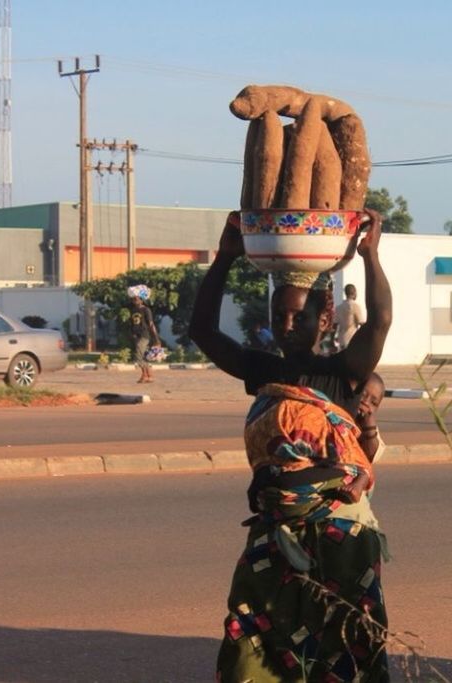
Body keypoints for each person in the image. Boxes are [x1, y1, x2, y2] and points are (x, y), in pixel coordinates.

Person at [190, 209, 392, 683]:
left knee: (344, 643)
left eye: (299, 315)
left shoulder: (345, 373)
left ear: (324, 317)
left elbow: (379, 321)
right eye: (279, 315)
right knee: (254, 640)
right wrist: (224, 258)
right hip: (274, 533)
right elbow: (202, 332)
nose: (287, 324)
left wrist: (370, 256)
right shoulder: (263, 372)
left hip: (339, 534)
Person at [128, 285, 161, 384]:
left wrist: (156, 339)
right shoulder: (133, 310)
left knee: (138, 355)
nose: (134, 301)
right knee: (142, 356)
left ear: (141, 299)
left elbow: (151, 324)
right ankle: (148, 376)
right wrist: (132, 334)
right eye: (133, 299)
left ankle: (145, 375)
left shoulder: (146, 310)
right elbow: (133, 323)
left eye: (136, 299)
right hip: (137, 335)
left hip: (144, 335)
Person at [334, 283, 366, 350]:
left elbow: (335, 324)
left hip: (342, 340)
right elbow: (361, 323)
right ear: (354, 292)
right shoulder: (355, 306)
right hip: (352, 339)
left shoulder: (338, 307)